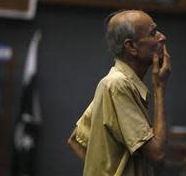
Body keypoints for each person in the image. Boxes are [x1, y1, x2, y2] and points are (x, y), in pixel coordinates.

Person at [67, 9, 171, 176]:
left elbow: (76, 141)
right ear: (131, 47)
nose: (162, 37)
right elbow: (158, 155)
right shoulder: (117, 85)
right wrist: (159, 88)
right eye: (153, 33)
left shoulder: (117, 83)